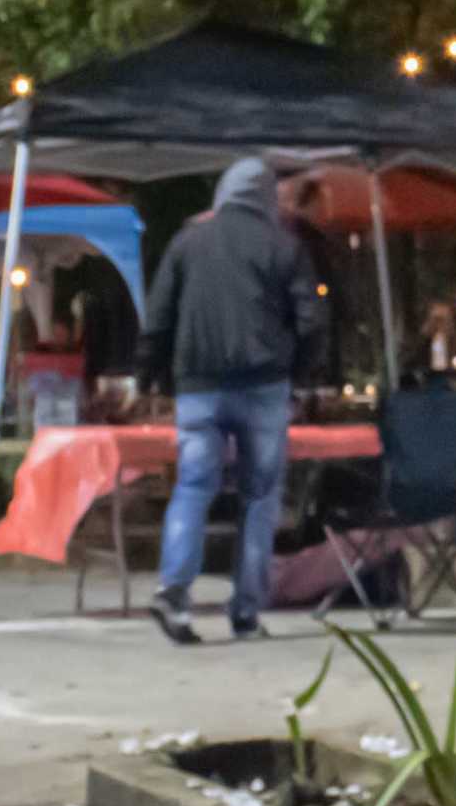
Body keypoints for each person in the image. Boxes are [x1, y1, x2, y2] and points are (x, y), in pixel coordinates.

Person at [138, 158, 325, 643]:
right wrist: (300, 373)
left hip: (198, 388)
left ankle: (174, 593)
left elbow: (157, 317)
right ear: (265, 197)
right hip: (264, 388)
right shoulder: (285, 248)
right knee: (260, 498)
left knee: (193, 487)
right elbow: (311, 320)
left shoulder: (186, 243)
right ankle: (244, 611)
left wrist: (149, 377)